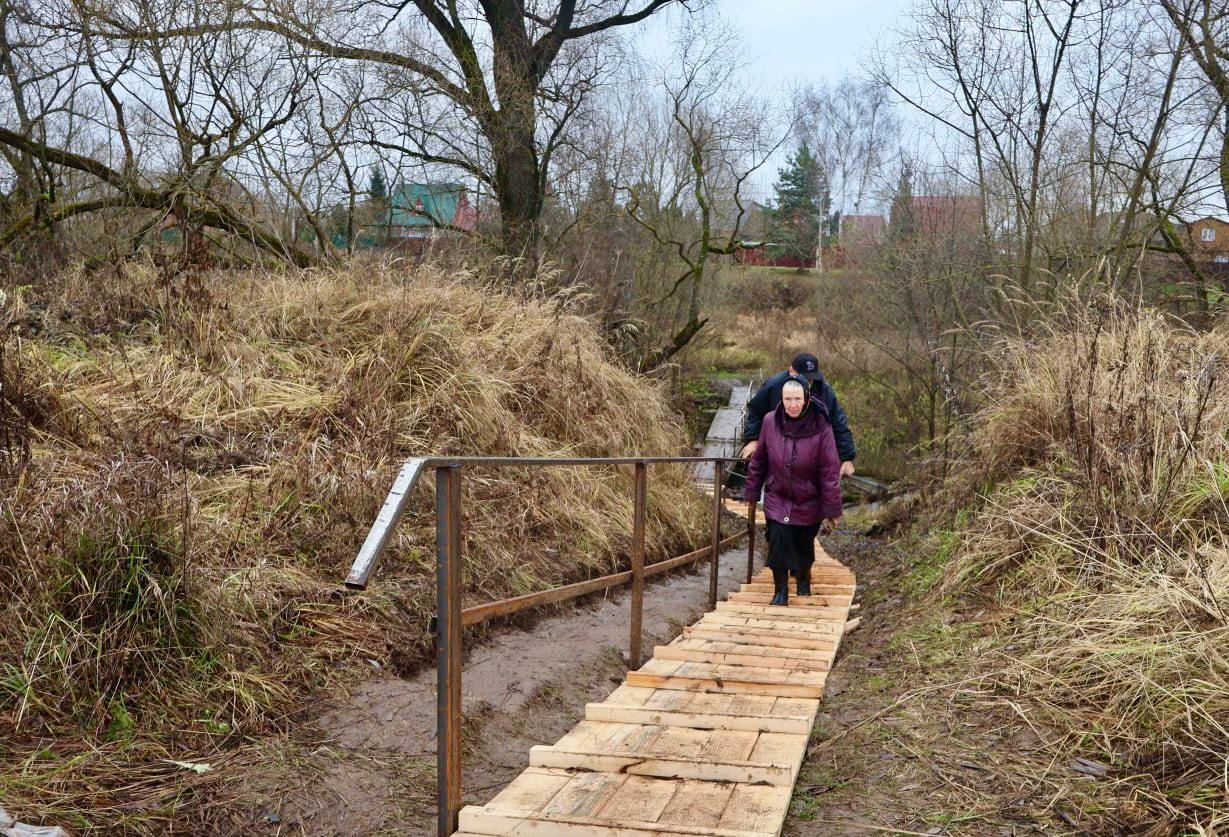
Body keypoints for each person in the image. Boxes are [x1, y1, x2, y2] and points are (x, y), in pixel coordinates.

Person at [743, 376, 843, 606]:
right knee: (778, 539)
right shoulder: (770, 421)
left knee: (803, 543)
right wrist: (751, 493)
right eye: (788, 399)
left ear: (807, 399)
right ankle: (780, 591)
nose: (793, 404)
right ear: (782, 399)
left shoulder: (821, 425)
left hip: (810, 498)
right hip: (778, 495)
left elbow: (829, 470)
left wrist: (832, 509)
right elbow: (759, 461)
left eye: (797, 398)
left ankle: (803, 576)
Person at [741, 352, 856, 479]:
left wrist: (846, 458)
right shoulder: (772, 386)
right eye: (803, 378)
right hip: (777, 451)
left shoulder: (824, 390)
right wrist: (753, 440)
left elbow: (838, 422)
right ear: (791, 371)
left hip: (810, 456)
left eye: (811, 379)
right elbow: (756, 411)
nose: (807, 383)